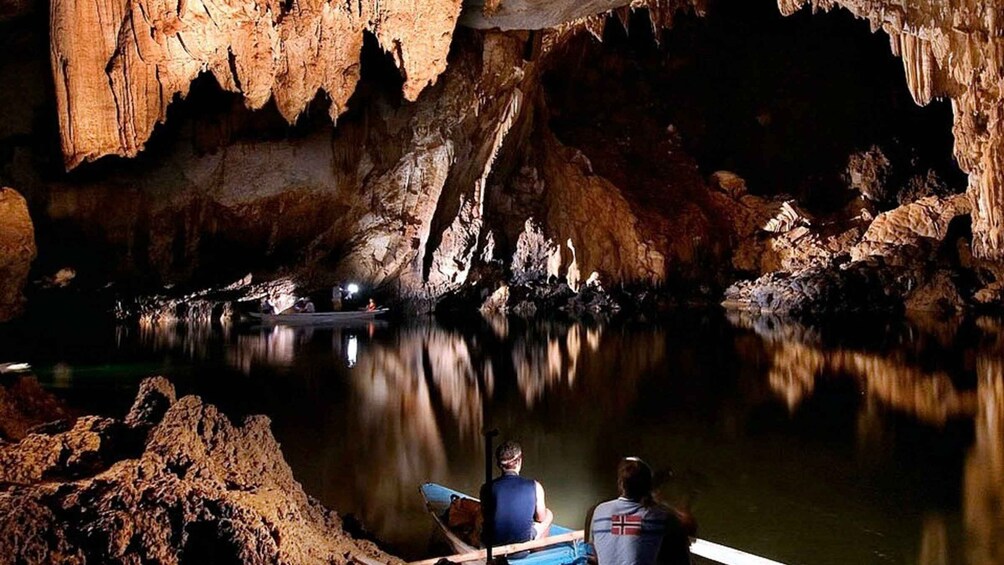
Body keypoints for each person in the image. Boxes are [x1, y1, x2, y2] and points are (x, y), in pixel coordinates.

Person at [586, 457, 695, 565]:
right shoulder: (662, 517)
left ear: (620, 484)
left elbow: (595, 557)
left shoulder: (599, 511)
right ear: (649, 487)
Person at [481, 441, 554, 549]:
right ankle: (537, 552)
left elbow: (486, 516)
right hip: (521, 548)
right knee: (548, 514)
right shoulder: (535, 486)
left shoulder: (486, 488)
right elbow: (540, 518)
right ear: (519, 461)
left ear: (499, 465)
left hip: (493, 545)